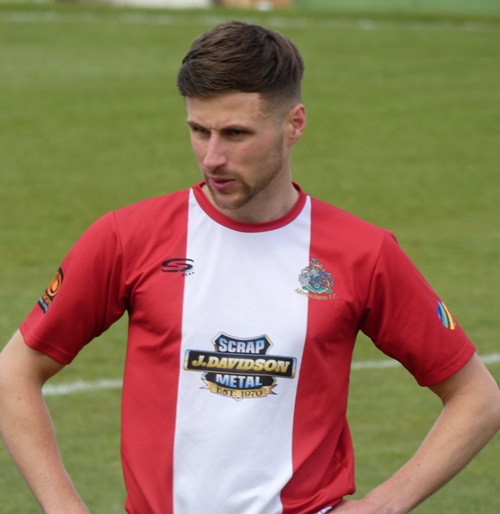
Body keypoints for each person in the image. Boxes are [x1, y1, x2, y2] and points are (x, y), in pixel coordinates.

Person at [0, 20, 499, 514]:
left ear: (294, 124)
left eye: (236, 133)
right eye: (199, 131)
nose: (212, 157)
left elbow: (478, 398)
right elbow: (15, 371)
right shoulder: (127, 238)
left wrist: (384, 505)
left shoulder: (362, 253)